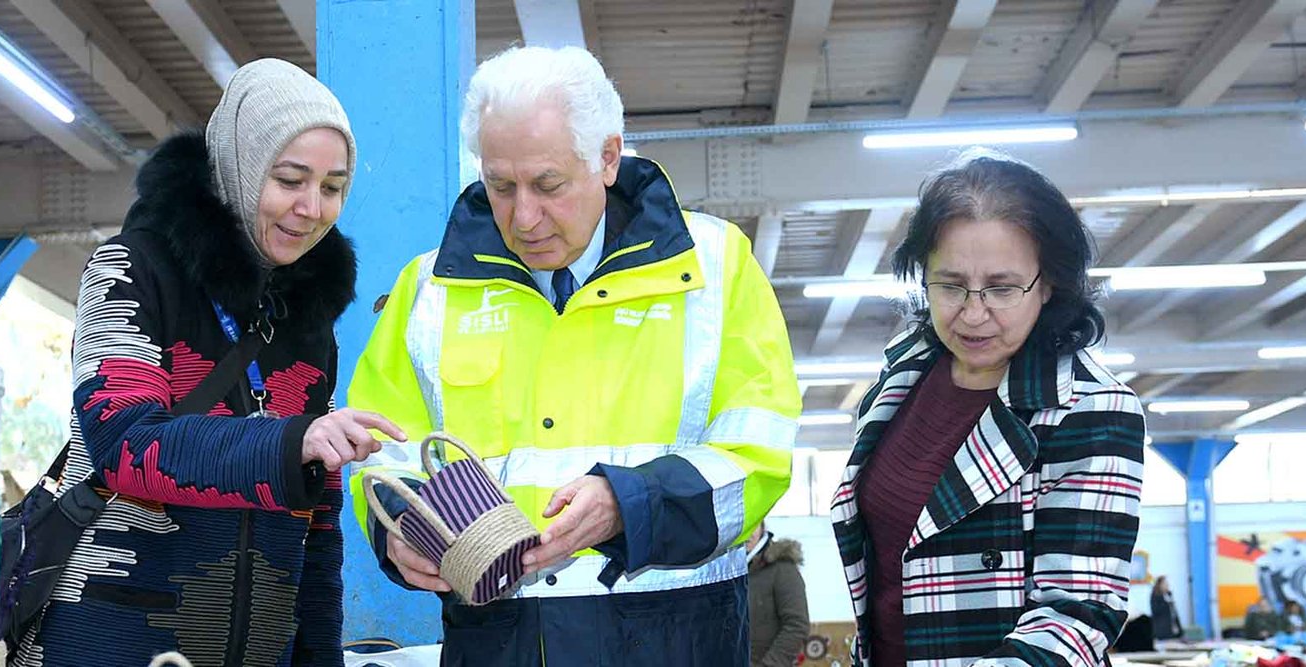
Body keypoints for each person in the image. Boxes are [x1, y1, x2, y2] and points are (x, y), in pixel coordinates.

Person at [348, 45, 802, 665]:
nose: (524, 216)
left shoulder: (717, 269)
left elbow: (758, 456)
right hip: (496, 645)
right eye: (500, 186)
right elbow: (385, 453)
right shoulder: (427, 291)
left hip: (675, 640)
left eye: (548, 185)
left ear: (608, 157)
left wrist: (629, 503)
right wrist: (399, 527)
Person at [16, 59, 404, 666]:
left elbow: (318, 525)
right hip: (111, 638)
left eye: (332, 188)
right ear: (239, 169)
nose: (311, 207)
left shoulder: (307, 319)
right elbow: (126, 446)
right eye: (289, 179)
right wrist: (288, 443)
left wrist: (319, 656)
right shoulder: (131, 273)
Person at [828, 151, 1147, 667]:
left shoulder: (1091, 407)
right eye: (950, 284)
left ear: (1047, 284)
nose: (973, 314)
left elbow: (1078, 611)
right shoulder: (903, 375)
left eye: (1002, 288)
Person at [748, 529, 810, 667]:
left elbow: (797, 624)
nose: (748, 533)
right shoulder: (723, 571)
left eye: (753, 525)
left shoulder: (782, 569)